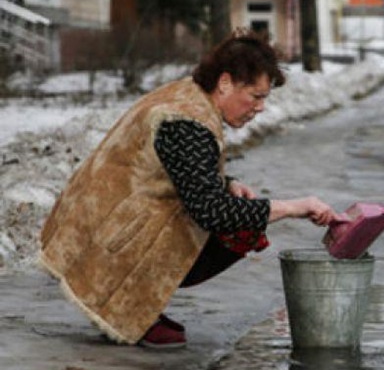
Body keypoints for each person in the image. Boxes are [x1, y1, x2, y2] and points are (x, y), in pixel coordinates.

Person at [39, 30, 339, 349]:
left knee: (235, 214)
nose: (261, 107)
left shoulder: (186, 97)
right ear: (225, 83)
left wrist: (227, 183)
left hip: (97, 223)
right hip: (110, 238)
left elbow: (173, 169)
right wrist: (294, 207)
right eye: (256, 96)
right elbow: (211, 211)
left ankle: (140, 303)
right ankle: (125, 305)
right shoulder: (187, 123)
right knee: (235, 226)